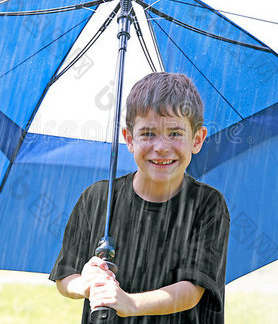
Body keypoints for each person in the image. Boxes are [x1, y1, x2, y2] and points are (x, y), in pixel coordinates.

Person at [49, 72, 230, 323]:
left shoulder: (208, 205)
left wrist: (130, 303)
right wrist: (86, 283)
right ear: (129, 139)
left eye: (175, 133)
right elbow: (65, 276)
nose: (161, 147)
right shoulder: (98, 198)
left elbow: (192, 290)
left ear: (197, 140)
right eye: (148, 134)